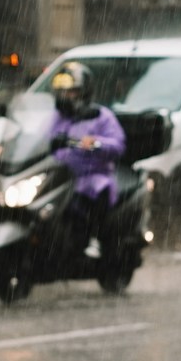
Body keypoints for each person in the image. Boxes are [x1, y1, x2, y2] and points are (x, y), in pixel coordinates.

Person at [48, 62, 125, 261]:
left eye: (71, 92)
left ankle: (95, 239)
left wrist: (97, 143)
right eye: (61, 92)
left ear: (84, 92)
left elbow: (118, 144)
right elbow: (41, 139)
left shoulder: (102, 116)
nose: (65, 97)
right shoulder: (57, 117)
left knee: (92, 196)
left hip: (93, 176)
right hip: (61, 176)